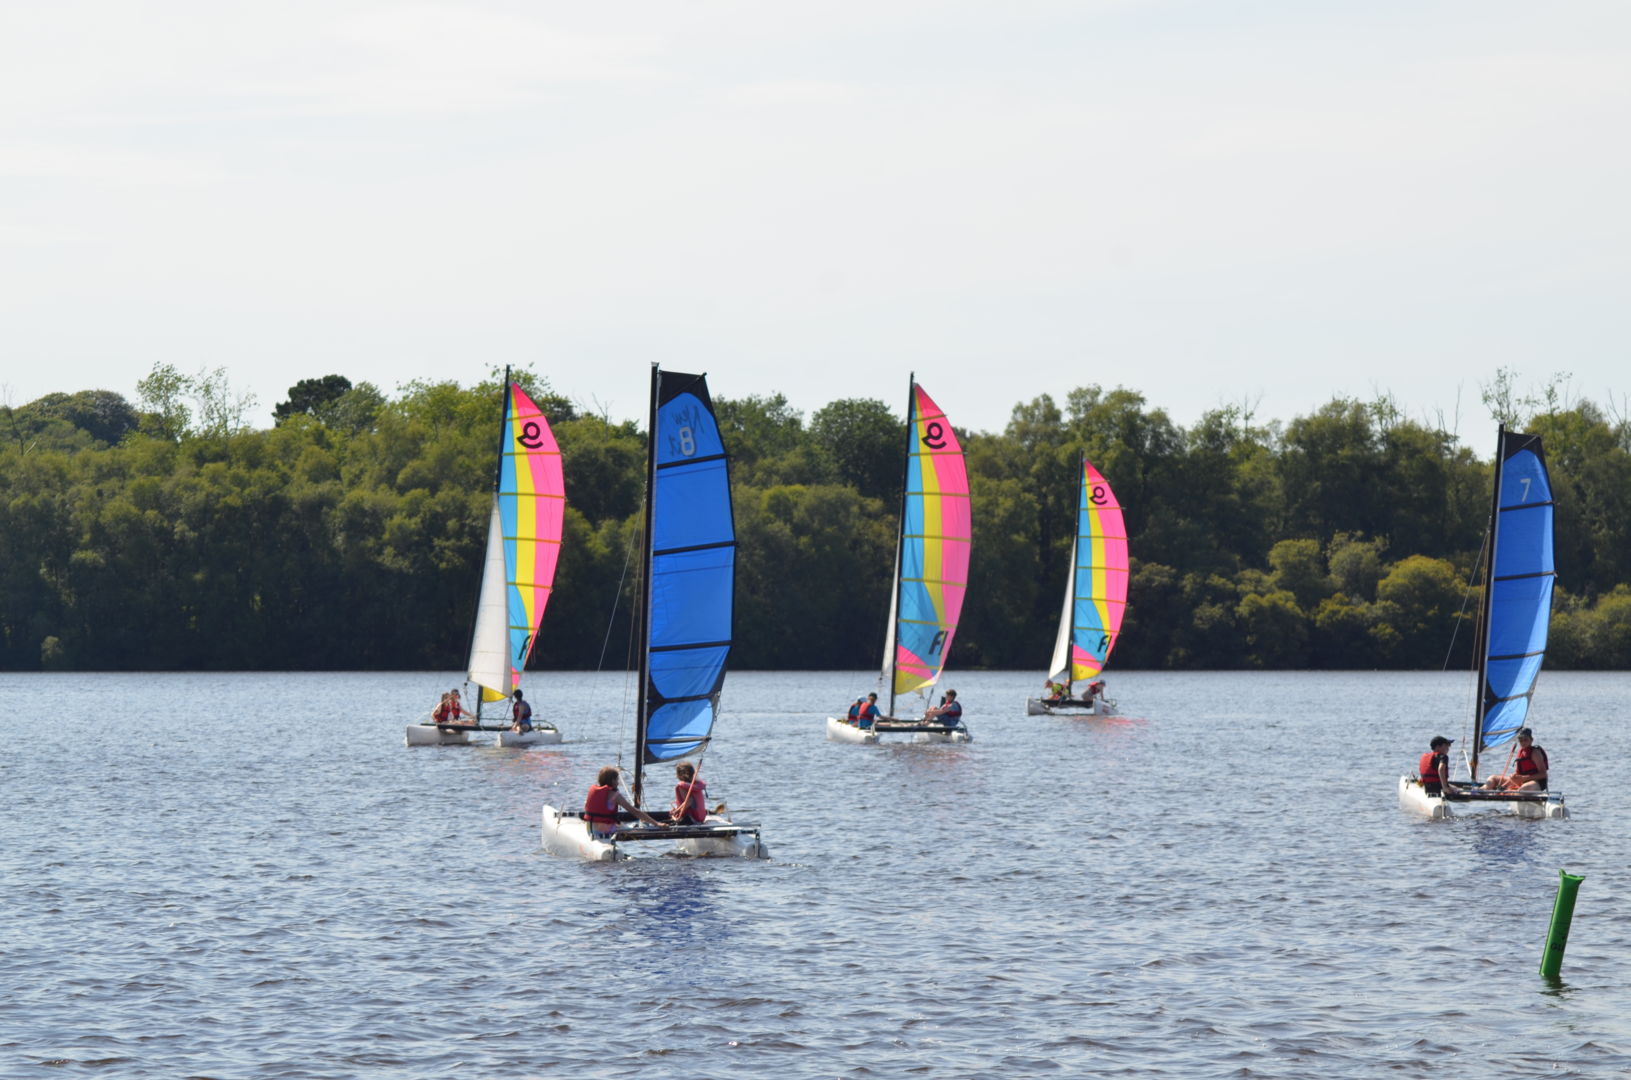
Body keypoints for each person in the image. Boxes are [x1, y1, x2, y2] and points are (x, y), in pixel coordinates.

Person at [583, 766, 661, 836]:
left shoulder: (593, 791)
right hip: (605, 832)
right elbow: (634, 811)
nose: (618, 782)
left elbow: (587, 807)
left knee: (622, 825)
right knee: (642, 827)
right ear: (612, 781)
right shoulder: (615, 795)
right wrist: (656, 823)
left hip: (590, 829)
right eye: (617, 779)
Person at [1483, 728, 1549, 791]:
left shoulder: (1535, 753)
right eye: (1521, 740)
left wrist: (1524, 778)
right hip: (1522, 781)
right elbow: (1518, 773)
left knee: (1525, 788)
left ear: (1531, 740)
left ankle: (1513, 793)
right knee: (1492, 778)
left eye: (1525, 739)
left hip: (1536, 783)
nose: (1523, 742)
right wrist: (1504, 785)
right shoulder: (1521, 752)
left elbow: (1543, 774)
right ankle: (1481, 790)